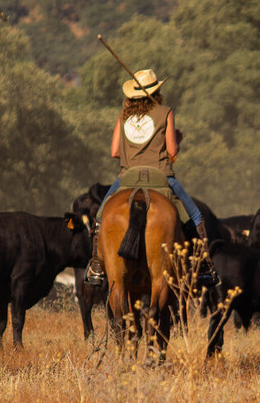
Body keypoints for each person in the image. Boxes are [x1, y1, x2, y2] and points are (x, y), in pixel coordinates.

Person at [84, 68, 210, 285]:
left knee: (99, 218)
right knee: (196, 216)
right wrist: (169, 144)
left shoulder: (123, 116)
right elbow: (172, 151)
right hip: (161, 176)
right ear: (156, 92)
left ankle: (96, 264)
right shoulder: (166, 112)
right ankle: (205, 267)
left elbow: (114, 151)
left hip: (128, 177)